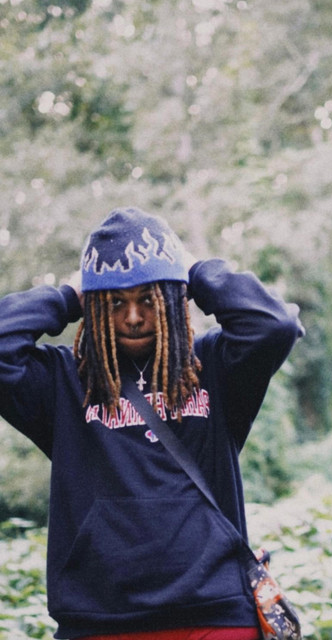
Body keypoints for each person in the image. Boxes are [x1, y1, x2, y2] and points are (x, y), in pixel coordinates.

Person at [0, 207, 304, 640]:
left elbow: (275, 324)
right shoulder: (63, 381)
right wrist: (68, 295)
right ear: (95, 306)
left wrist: (190, 271)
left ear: (173, 300)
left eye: (148, 298)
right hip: (98, 620)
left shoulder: (215, 367)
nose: (133, 316)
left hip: (216, 614)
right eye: (115, 302)